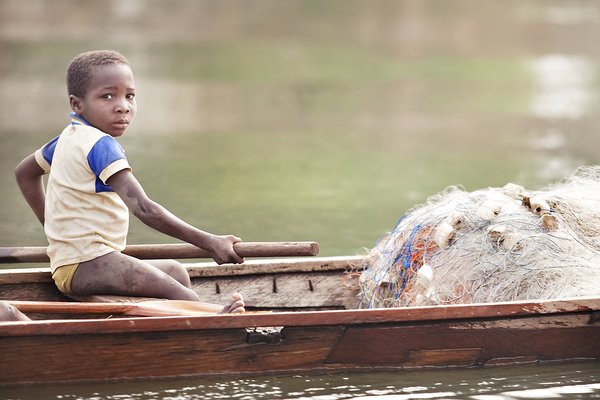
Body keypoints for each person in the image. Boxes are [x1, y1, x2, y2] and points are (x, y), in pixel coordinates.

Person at [14, 50, 245, 313]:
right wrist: (209, 242)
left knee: (176, 272)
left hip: (75, 262)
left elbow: (25, 173)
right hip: (87, 263)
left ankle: (162, 329)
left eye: (130, 96)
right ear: (77, 104)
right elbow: (145, 210)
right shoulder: (100, 145)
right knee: (174, 289)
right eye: (107, 96)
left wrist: (53, 227)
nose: (123, 105)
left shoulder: (67, 137)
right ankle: (218, 321)